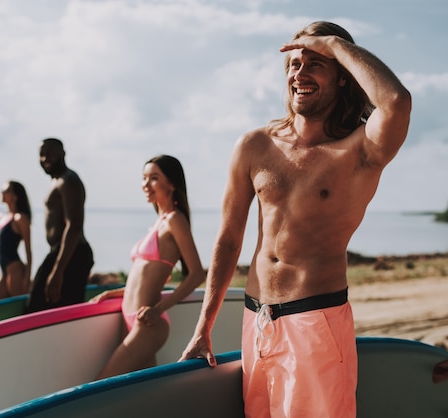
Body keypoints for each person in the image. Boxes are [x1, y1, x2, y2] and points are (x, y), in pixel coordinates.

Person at [180, 21, 412, 417]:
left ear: (343, 77)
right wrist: (204, 327)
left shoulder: (358, 151)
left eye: (315, 64)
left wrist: (334, 44)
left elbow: (396, 101)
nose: (299, 74)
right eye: (294, 64)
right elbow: (228, 238)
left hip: (316, 322)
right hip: (257, 320)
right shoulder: (255, 144)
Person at [90, 155, 205, 379]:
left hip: (148, 323)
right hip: (130, 317)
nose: (145, 184)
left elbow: (196, 274)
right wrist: (113, 293)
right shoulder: (158, 222)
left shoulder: (174, 220)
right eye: (144, 178)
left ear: (171, 184)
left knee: (101, 384)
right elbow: (143, 280)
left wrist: (159, 309)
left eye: (153, 178)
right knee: (138, 396)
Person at [26, 138, 94, 313]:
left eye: (51, 153)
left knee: (43, 308)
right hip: (62, 252)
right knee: (42, 306)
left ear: (63, 154)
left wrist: (57, 272)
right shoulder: (56, 181)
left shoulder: (68, 180)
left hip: (73, 254)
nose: (45, 158)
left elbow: (74, 226)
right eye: (41, 154)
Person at [0, 180, 33, 301]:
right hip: (4, 272)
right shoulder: (1, 217)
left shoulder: (20, 219)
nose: (2, 193)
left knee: (19, 309)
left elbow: (28, 250)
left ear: (15, 196)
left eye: (6, 191)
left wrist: (27, 278)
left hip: (15, 271)